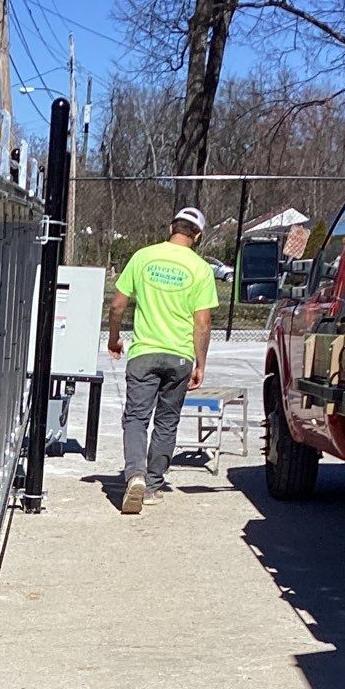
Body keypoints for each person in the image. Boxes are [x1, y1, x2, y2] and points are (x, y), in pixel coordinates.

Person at [106, 206, 219, 513]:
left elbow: (117, 306)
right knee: (166, 422)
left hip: (144, 352)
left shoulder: (143, 257)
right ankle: (153, 485)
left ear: (171, 227)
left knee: (136, 418)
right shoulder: (201, 269)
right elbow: (203, 323)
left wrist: (114, 337)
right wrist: (200, 363)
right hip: (180, 357)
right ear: (197, 235)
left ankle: (135, 475)